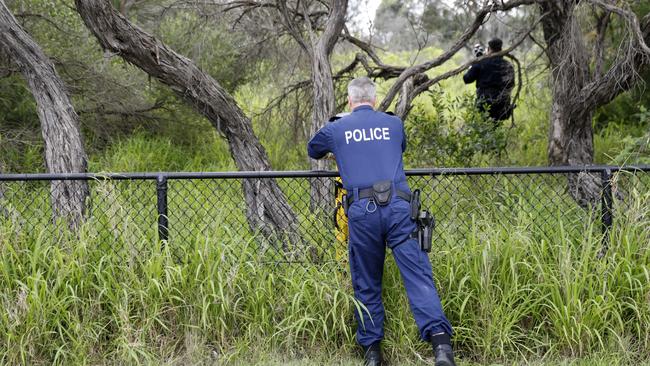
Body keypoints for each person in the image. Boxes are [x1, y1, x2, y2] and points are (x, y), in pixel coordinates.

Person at [307, 77, 455, 366]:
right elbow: (399, 146)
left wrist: (342, 128)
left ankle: (373, 354)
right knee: (418, 276)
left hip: (363, 210)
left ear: (350, 101)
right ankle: (441, 348)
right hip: (400, 208)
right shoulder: (393, 123)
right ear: (374, 100)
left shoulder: (338, 127)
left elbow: (313, 149)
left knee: (366, 281)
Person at [463, 38, 515, 121]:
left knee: (481, 128)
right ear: (501, 49)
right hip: (502, 105)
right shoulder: (508, 65)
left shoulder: (481, 63)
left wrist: (474, 64)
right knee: (496, 128)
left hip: (484, 104)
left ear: (489, 49)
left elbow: (467, 79)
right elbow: (511, 85)